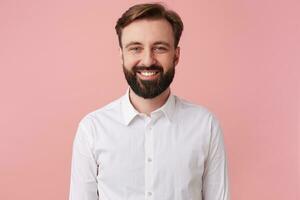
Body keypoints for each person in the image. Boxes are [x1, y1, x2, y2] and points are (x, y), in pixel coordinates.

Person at [69, 3, 230, 200]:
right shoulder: (92, 129)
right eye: (135, 48)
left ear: (176, 55)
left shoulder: (206, 126)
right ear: (122, 55)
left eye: (159, 48)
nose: (147, 60)